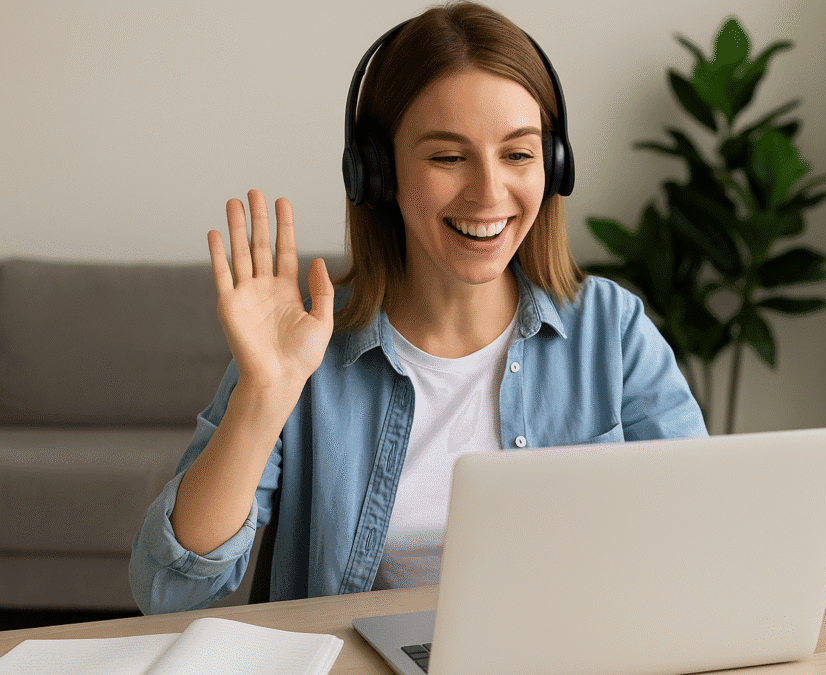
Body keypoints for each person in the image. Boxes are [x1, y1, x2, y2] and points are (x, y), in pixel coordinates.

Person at [129, 1, 706, 615]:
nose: (489, 194)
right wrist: (264, 394)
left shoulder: (610, 330)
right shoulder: (307, 350)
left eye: (518, 154)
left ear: (553, 164)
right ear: (376, 174)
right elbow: (168, 592)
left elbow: (705, 539)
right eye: (448, 157)